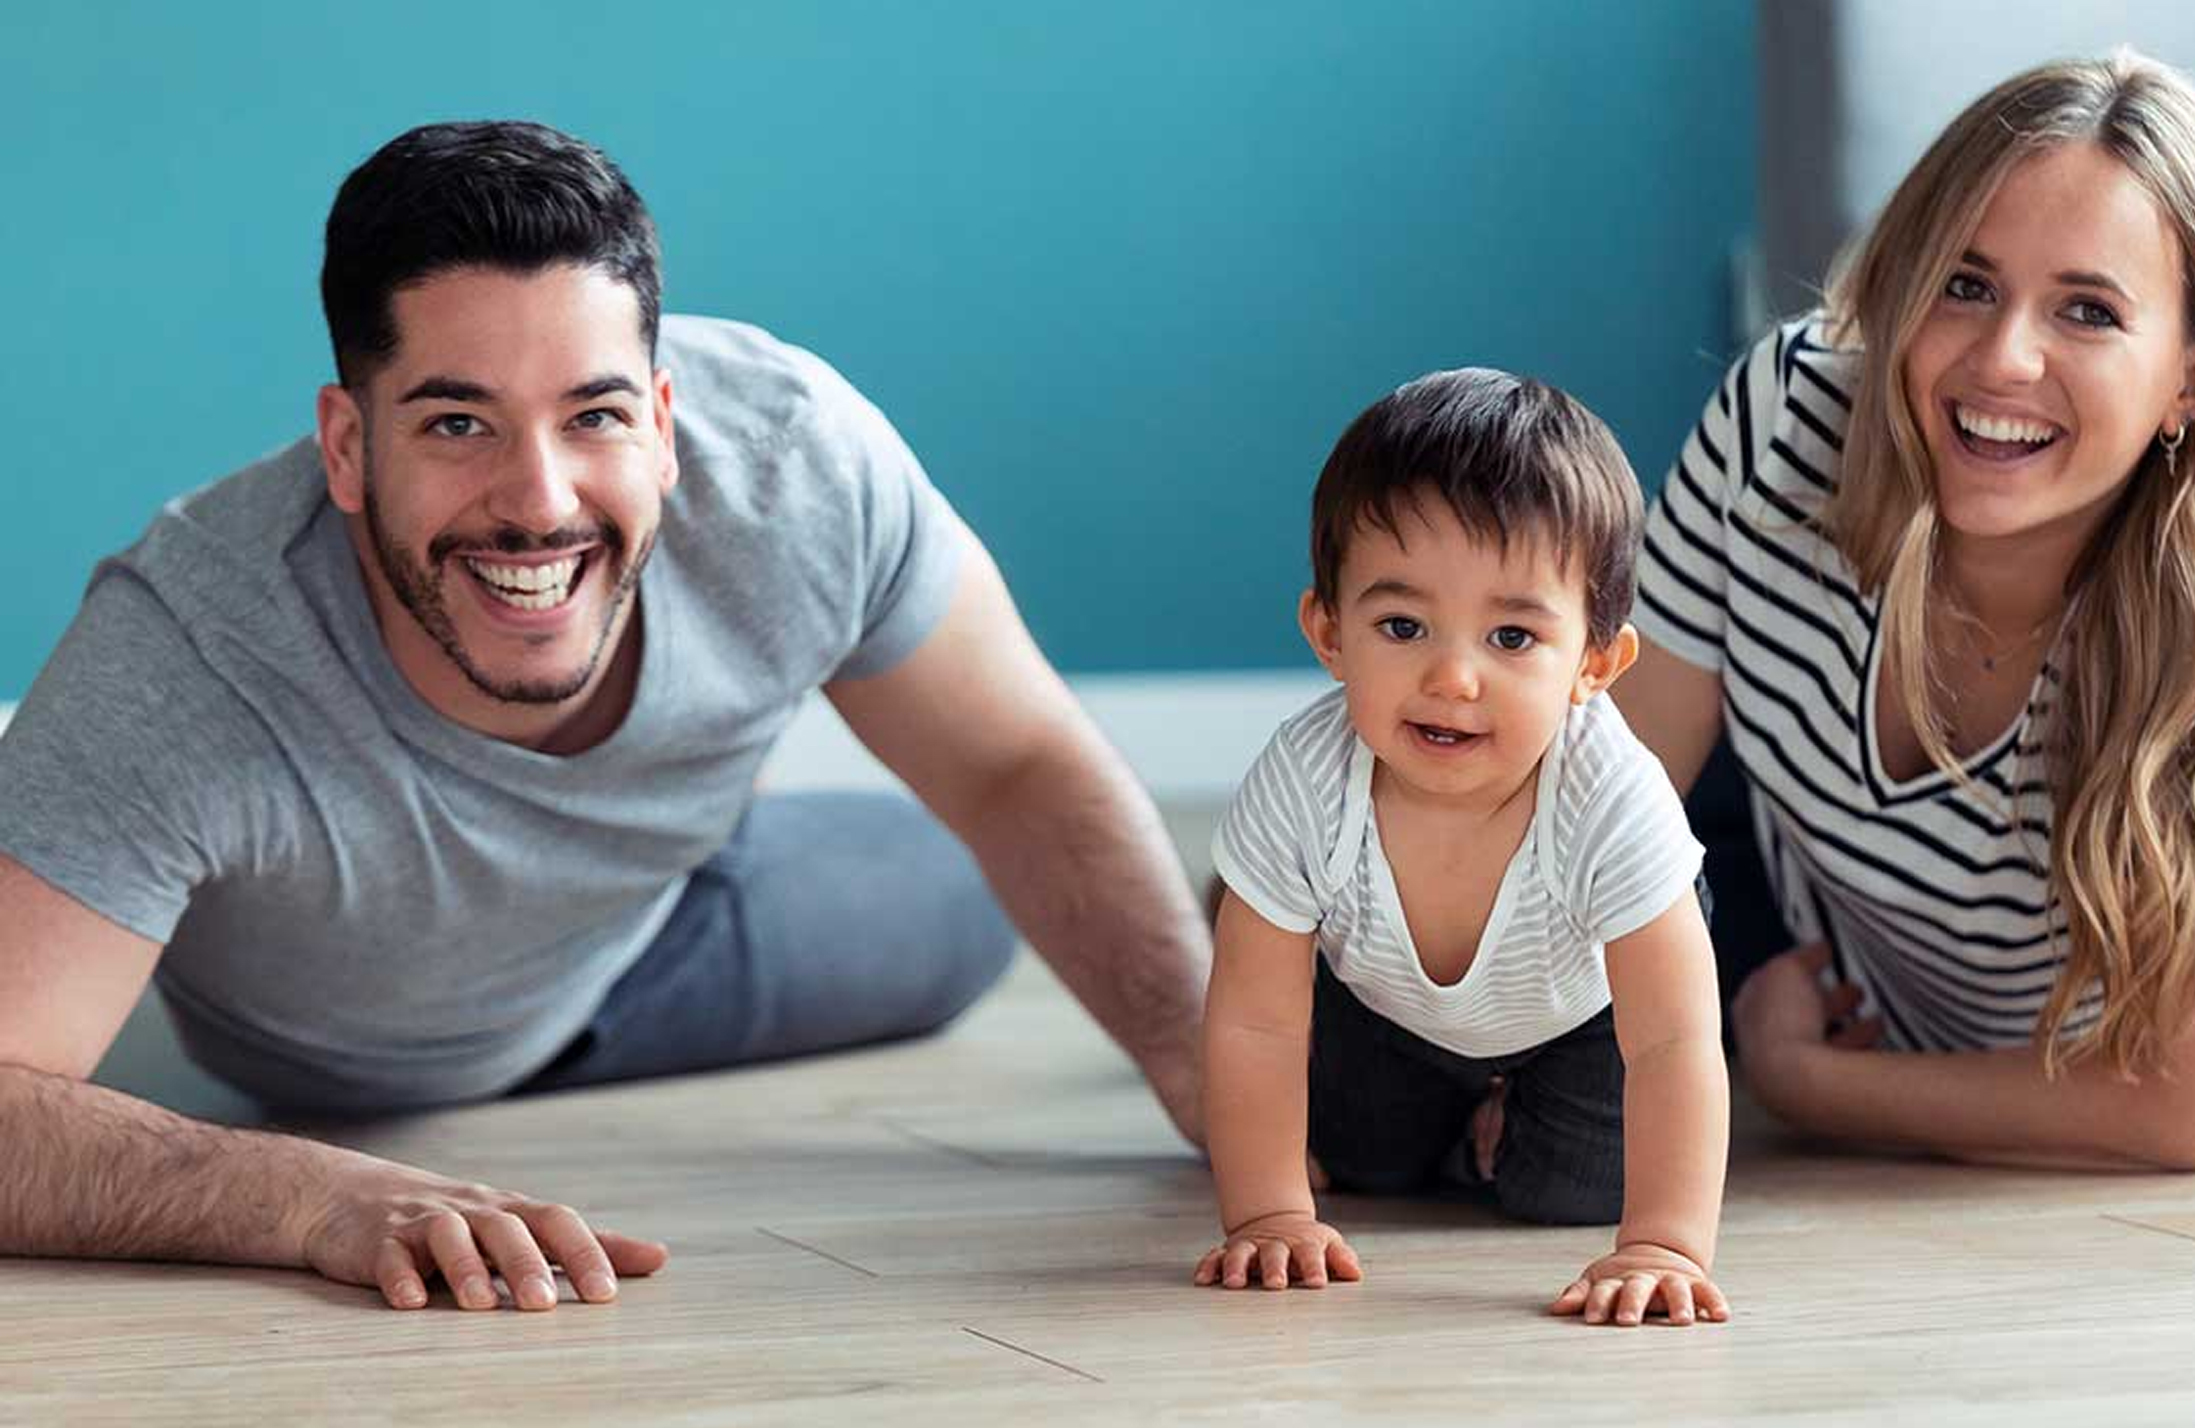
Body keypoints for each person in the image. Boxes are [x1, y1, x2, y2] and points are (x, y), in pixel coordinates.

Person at [0, 121, 1209, 1311]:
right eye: (457, 422)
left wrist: (1208, 1058)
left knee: (962, 917)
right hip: (366, 1057)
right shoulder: (187, 650)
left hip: (663, 933)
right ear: (348, 445)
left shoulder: (796, 461)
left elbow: (1013, 766)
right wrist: (310, 1198)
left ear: (666, 421)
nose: (538, 499)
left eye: (596, 415)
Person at [1614, 52, 2195, 1171]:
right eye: (1967, 284)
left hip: (2086, 1073)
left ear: (2194, 381)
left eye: (2087, 310)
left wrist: (1807, 1081)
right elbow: (1595, 806)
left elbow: (2186, 1116)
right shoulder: (1786, 421)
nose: (2001, 360)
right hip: (1805, 893)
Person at [1193, 370, 1729, 1327]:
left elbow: (1673, 1040)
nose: (1452, 677)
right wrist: (1269, 1212)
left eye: (1513, 636)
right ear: (1329, 632)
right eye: (1402, 626)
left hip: (1589, 1016)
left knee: (1564, 1191)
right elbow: (1257, 1029)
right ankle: (1265, 916)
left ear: (1596, 665)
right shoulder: (1303, 780)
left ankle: (1505, 1108)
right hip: (1380, 1000)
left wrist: (1664, 1245)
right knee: (1365, 1165)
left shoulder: (1612, 796)